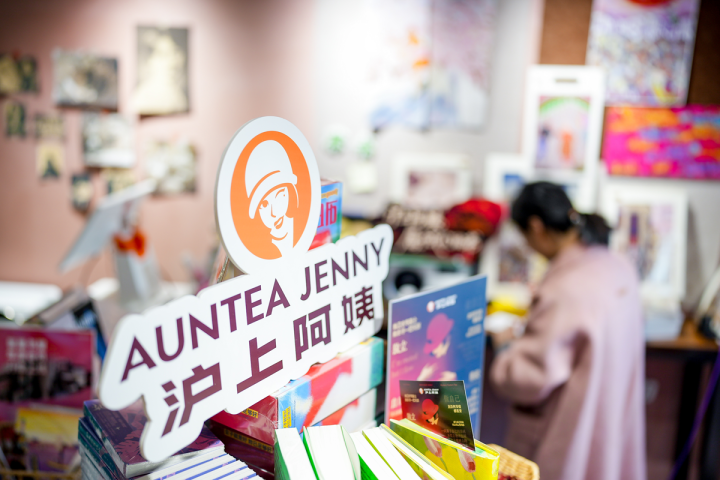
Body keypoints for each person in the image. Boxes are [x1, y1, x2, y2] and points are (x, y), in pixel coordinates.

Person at [488, 182, 646, 480]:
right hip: (610, 416)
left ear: (536, 227)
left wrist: (505, 350)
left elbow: (530, 378)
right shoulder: (618, 265)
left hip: (569, 427)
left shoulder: (565, 287)